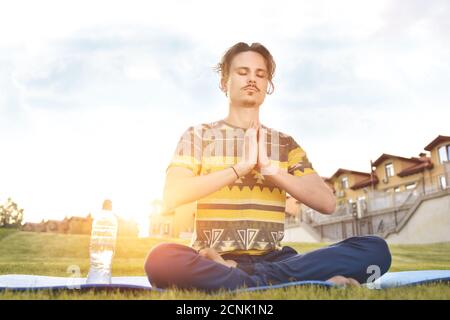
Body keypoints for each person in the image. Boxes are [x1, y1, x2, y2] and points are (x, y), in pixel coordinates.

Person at [144, 42, 391, 291]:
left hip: (275, 260)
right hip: (216, 257)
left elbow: (327, 203)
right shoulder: (197, 136)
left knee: (375, 250)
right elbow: (172, 195)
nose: (252, 79)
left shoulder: (285, 144)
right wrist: (240, 168)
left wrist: (269, 169)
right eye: (243, 72)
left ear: (267, 86)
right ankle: (289, 285)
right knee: (160, 260)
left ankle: (247, 281)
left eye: (260, 74)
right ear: (224, 82)